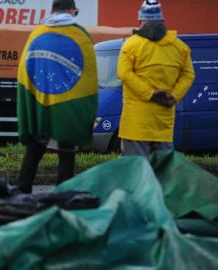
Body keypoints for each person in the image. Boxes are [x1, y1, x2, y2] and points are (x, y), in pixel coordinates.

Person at [16, 0, 98, 193]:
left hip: (40, 100)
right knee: (67, 150)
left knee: (35, 148)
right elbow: (89, 73)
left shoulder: (37, 33)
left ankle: (22, 190)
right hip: (68, 102)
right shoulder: (80, 35)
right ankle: (62, 193)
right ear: (71, 10)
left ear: (52, 10)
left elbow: (25, 70)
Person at [117, 0, 195, 157]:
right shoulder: (179, 47)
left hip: (135, 126)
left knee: (137, 172)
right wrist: (173, 96)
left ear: (140, 21)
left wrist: (150, 94)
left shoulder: (131, 45)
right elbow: (188, 75)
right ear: (163, 21)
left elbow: (124, 73)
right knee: (163, 172)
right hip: (163, 126)